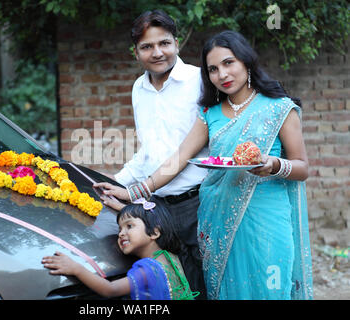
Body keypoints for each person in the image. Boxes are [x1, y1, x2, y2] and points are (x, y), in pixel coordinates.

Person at [95, 30, 313, 300]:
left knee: (269, 289)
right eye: (213, 69)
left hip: (266, 219)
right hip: (218, 219)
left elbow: (302, 167)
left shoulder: (279, 108)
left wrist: (274, 165)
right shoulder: (209, 113)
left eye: (229, 63)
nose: (222, 74)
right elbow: (178, 158)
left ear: (246, 62)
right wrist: (133, 193)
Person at [104, 9, 209, 298]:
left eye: (164, 43)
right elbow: (149, 151)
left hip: (199, 201)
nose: (157, 52)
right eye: (147, 47)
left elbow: (188, 150)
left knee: (211, 280)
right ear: (135, 52)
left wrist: (136, 189)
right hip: (160, 208)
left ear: (177, 43)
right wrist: (117, 181)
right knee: (180, 285)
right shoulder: (139, 88)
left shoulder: (199, 81)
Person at [41, 197, 198, 300]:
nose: (121, 234)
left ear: (155, 232)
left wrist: (76, 269)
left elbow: (111, 290)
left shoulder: (148, 269)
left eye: (129, 226)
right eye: (120, 229)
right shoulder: (169, 255)